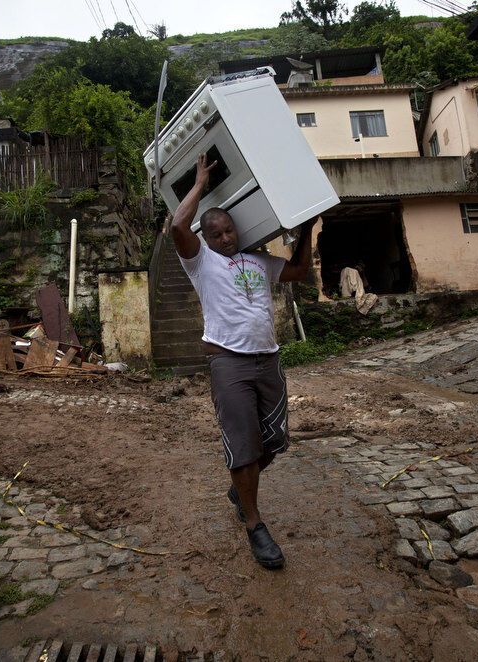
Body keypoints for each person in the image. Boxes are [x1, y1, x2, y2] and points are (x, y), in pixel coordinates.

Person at [171, 153, 314, 569]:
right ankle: (254, 523)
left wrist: (307, 226)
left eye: (229, 230)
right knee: (244, 447)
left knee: (275, 442)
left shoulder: (258, 260)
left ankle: (240, 490)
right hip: (228, 364)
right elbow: (179, 225)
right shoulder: (201, 262)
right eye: (216, 233)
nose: (225, 238)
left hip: (268, 361)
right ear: (208, 238)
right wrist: (198, 183)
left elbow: (301, 270)